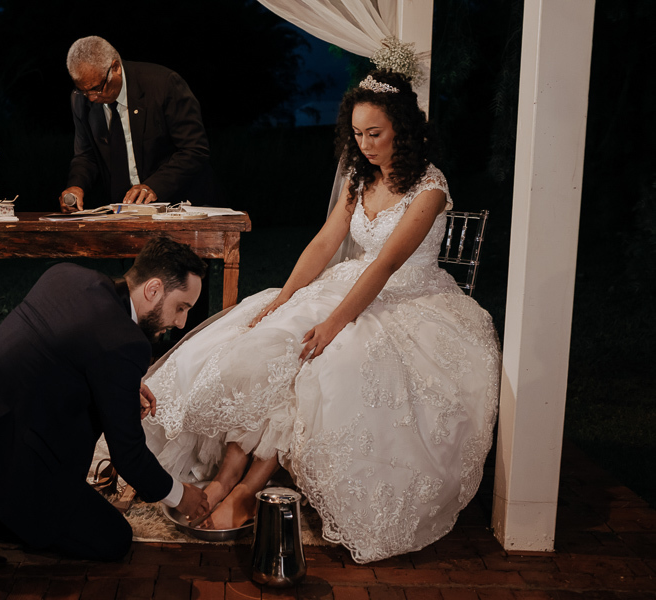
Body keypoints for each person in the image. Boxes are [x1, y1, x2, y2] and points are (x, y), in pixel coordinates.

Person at [142, 70, 502, 564]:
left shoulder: (429, 189)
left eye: (374, 133)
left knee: (317, 362)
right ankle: (227, 476)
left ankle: (248, 489)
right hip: (347, 283)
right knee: (270, 341)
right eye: (356, 134)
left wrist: (335, 324)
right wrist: (285, 297)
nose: (364, 144)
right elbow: (325, 242)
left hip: (404, 301)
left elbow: (386, 265)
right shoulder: (359, 177)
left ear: (404, 128)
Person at [0, 237, 211, 572]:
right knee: (113, 538)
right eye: (181, 307)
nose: (180, 323)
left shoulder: (68, 275)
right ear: (153, 289)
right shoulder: (126, 343)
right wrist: (180, 495)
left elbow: (59, 350)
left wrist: (119, 385)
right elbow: (129, 456)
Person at [58, 36, 219, 211]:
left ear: (115, 68)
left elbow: (195, 150)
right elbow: (86, 155)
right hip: (122, 211)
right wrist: (76, 185)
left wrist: (153, 186)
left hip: (179, 205)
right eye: (84, 91)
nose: (92, 98)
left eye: (97, 88)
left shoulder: (164, 85)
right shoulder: (80, 101)